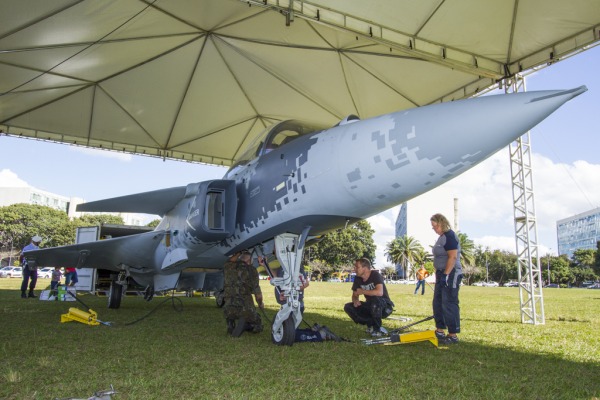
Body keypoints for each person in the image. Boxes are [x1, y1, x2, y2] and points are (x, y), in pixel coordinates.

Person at [430, 213, 463, 345]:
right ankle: (440, 330)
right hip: (441, 273)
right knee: (438, 301)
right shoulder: (441, 237)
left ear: (441, 223)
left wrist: (446, 275)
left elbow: (453, 257)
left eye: (435, 226)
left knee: (449, 302)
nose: (433, 229)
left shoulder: (450, 236)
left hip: (451, 273)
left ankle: (453, 334)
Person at [344, 258, 394, 337]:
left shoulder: (375, 275)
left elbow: (379, 292)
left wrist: (363, 291)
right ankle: (371, 325)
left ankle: (377, 329)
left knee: (375, 299)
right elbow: (355, 294)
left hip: (385, 306)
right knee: (348, 307)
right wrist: (355, 300)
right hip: (371, 305)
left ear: (365, 268)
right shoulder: (358, 278)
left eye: (357, 267)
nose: (354, 269)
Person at [223, 251, 264, 337]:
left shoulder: (228, 266)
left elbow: (230, 260)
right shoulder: (251, 270)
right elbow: (258, 294)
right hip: (244, 308)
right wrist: (260, 304)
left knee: (231, 311)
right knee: (258, 323)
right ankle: (247, 325)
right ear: (249, 261)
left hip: (228, 308)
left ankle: (230, 323)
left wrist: (237, 254)